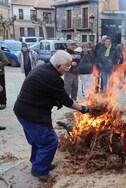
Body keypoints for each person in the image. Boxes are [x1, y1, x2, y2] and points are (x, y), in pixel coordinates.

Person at [13, 50, 93, 182]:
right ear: (58, 66)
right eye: (66, 66)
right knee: (50, 141)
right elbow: (66, 100)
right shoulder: (53, 78)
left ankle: (39, 162)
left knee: (38, 141)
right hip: (32, 114)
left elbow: (46, 92)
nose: (68, 69)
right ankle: (39, 170)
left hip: (22, 110)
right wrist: (83, 108)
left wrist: (54, 100)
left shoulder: (42, 68)